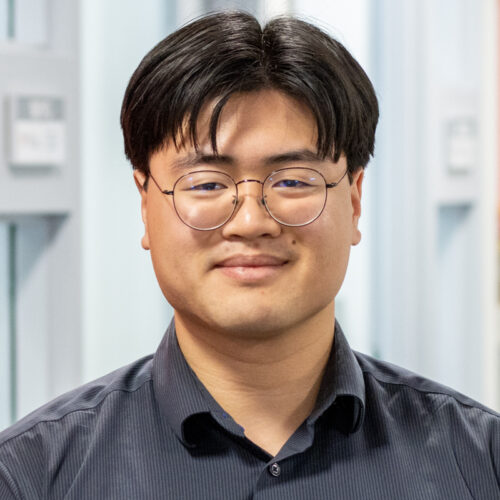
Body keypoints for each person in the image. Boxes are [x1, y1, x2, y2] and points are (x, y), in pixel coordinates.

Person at [0, 11, 498, 499]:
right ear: (145, 203)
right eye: (207, 183)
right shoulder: (33, 475)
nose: (251, 221)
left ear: (354, 201)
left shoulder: (480, 461)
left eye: (293, 181)